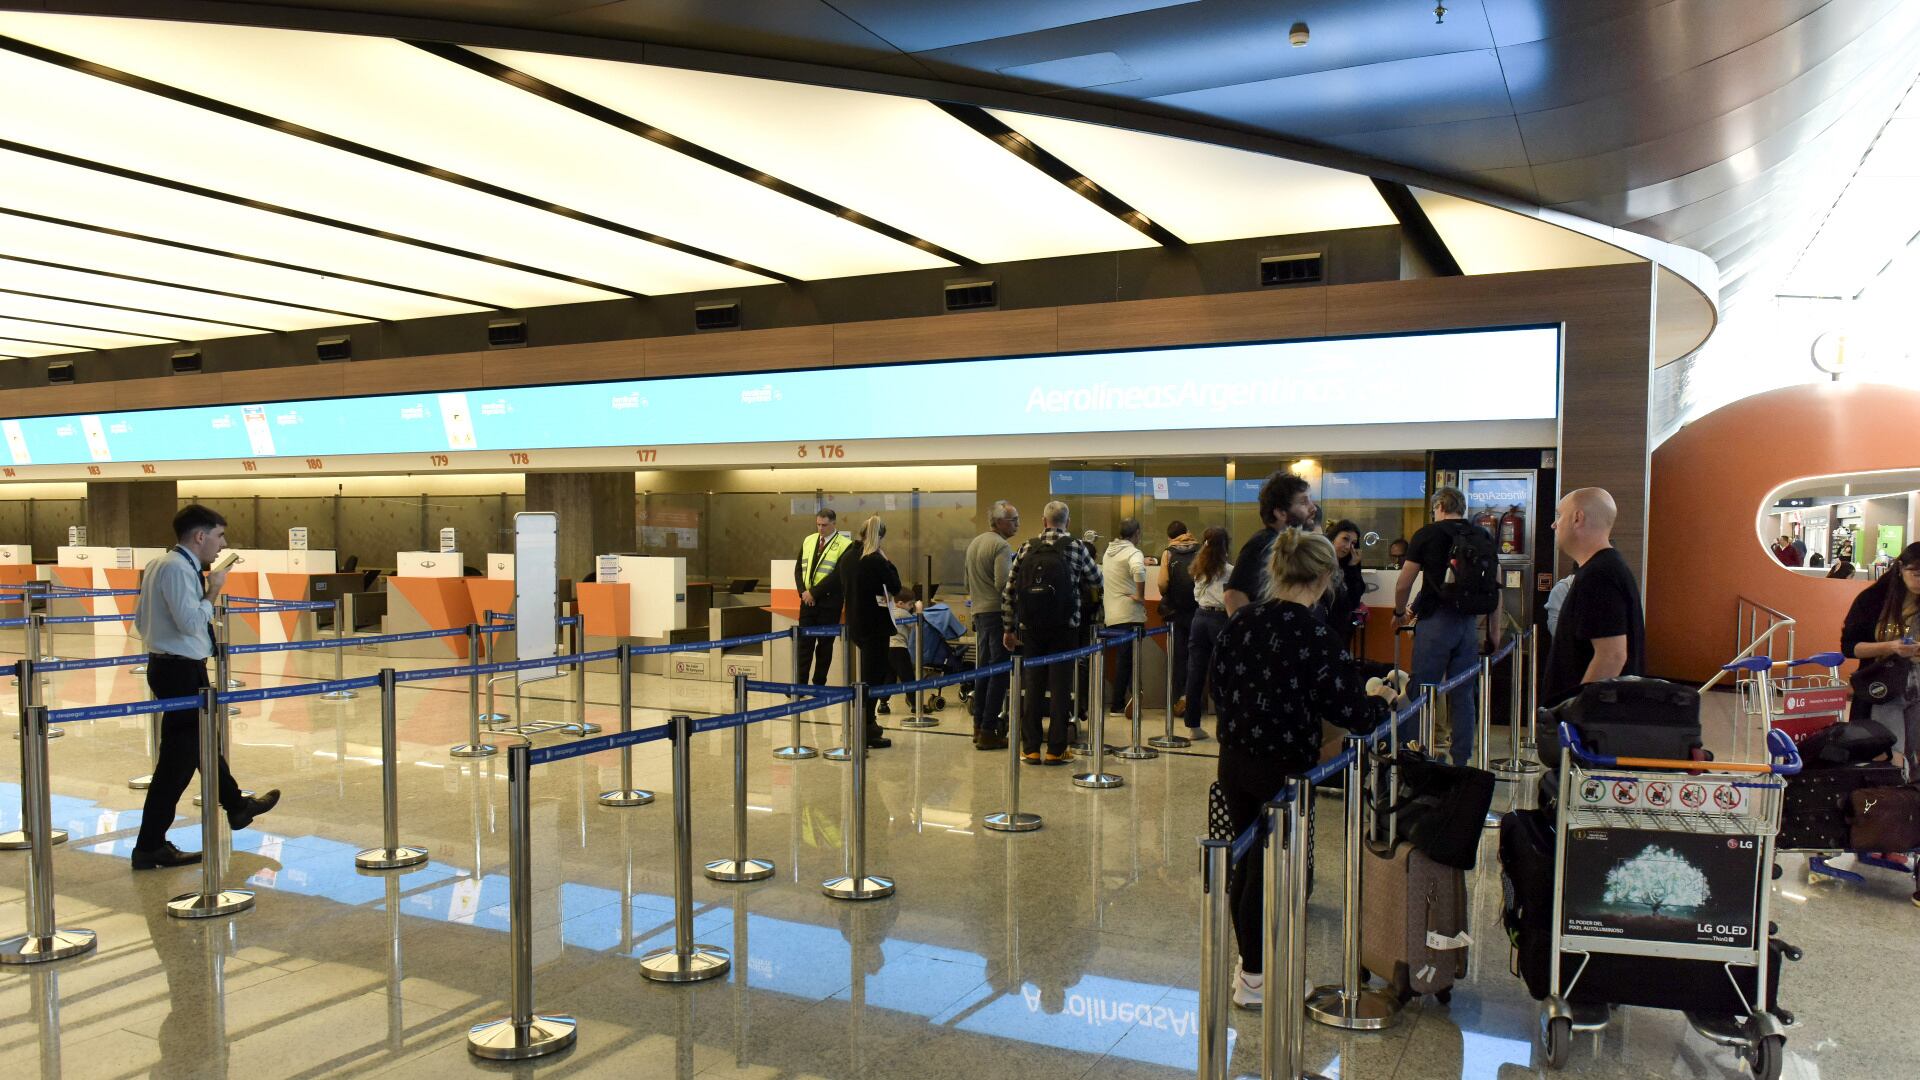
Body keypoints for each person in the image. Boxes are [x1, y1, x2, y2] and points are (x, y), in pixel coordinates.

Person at [1212, 529, 1392, 1007]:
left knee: (1249, 862)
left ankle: (1251, 966)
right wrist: (1381, 700)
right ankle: (1257, 976)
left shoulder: (1240, 622)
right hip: (1285, 767)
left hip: (1234, 760)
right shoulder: (1314, 634)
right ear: (1326, 577)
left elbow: (1218, 688)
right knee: (1273, 870)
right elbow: (1352, 711)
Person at [130, 504, 279, 869]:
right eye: (218, 536)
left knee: (200, 747)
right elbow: (190, 622)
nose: (221, 544)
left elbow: (141, 617)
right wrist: (212, 592)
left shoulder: (160, 564)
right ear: (200, 536)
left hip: (174, 667)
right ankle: (149, 846)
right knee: (176, 764)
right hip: (179, 671)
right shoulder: (179, 570)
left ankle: (237, 806)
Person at [1394, 486, 1502, 765]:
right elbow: (1495, 584)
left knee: (1421, 689)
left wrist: (1399, 611)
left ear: (1439, 506)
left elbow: (1405, 581)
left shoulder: (1426, 534)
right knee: (1463, 694)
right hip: (1468, 623)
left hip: (1436, 624)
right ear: (1462, 508)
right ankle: (1461, 760)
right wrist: (1493, 631)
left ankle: (1413, 753)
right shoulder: (1481, 535)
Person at [1003, 501, 1100, 764]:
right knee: (1060, 687)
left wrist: (1009, 628)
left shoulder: (1026, 547)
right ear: (1066, 522)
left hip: (1031, 628)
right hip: (1065, 628)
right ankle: (1056, 749)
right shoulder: (1077, 547)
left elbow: (1010, 590)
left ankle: (1031, 748)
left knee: (1032, 686)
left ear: (1044, 521)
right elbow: (1096, 580)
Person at [1542, 487, 1646, 706]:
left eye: (1560, 516)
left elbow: (1612, 655)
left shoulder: (1599, 574)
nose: (1554, 525)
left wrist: (1576, 716)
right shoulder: (1604, 569)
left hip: (1594, 730)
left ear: (1578, 518)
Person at [1840, 542, 1920, 768]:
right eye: (1916, 573)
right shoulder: (1873, 600)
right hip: (1881, 687)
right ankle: (1879, 799)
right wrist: (1891, 647)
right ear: (1900, 568)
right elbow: (1849, 647)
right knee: (1882, 753)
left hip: (1916, 687)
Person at [839, 515, 898, 749]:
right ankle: (867, 726)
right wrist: (887, 560)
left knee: (865, 676)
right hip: (876, 625)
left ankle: (865, 725)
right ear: (879, 536)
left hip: (855, 623)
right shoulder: (874, 559)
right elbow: (894, 585)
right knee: (873, 677)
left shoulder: (847, 557)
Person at [964, 500, 1019, 751]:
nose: (1016, 524)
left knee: (983, 671)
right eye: (1013, 519)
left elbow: (967, 584)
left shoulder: (975, 543)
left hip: (978, 612)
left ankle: (978, 726)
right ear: (998, 522)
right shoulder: (1001, 546)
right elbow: (1003, 584)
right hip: (996, 614)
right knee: (998, 673)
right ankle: (988, 730)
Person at [1224, 471, 1317, 616]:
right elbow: (1233, 595)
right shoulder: (1263, 544)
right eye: (1303, 502)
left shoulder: (1290, 544)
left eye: (1310, 500)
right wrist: (1252, 634)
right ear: (1281, 513)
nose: (1313, 508)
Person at [1182, 527, 1233, 740]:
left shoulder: (1198, 568)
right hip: (1220, 620)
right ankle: (1224, 725)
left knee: (1195, 672)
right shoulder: (1229, 570)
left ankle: (1193, 726)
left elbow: (1196, 595)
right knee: (1222, 673)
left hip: (1199, 618)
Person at [793, 508, 851, 687]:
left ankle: (819, 684)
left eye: (824, 525)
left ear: (834, 523)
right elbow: (798, 569)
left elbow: (837, 575)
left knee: (824, 646)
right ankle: (800, 684)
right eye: (818, 524)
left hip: (829, 602)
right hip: (807, 602)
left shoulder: (844, 544)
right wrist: (804, 593)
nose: (821, 528)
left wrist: (814, 593)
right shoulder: (809, 540)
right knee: (804, 645)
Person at [1102, 518, 1149, 716]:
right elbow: (1138, 571)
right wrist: (1140, 595)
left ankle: (1131, 697)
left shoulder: (1108, 552)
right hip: (1130, 614)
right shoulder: (1133, 552)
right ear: (1136, 533)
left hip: (1112, 614)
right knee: (1127, 660)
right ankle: (1120, 703)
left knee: (1123, 659)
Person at [1158, 521, 1200, 716]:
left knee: (1178, 657)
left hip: (1176, 612)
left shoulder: (1168, 553)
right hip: (1198, 611)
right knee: (1196, 657)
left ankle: (1177, 700)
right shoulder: (1200, 550)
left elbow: (1163, 584)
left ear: (1170, 537)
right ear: (1187, 533)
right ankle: (1193, 700)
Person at [1323, 519, 1367, 636]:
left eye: (1353, 543)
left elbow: (1353, 601)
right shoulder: (1320, 563)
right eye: (1345, 539)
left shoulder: (1347, 567)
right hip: (1322, 625)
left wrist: (1353, 567)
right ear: (1333, 537)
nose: (1348, 547)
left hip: (1342, 628)